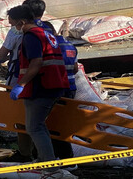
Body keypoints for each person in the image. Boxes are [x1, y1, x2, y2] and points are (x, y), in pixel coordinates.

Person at [9, 5, 69, 168]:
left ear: (22, 22)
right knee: (39, 125)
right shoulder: (46, 34)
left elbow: (36, 63)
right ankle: (45, 158)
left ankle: (46, 162)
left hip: (41, 86)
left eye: (14, 24)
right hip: (54, 84)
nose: (15, 28)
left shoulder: (31, 37)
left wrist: (20, 85)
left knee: (34, 127)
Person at [43, 21, 79, 167]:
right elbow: (75, 68)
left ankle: (64, 159)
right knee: (61, 123)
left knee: (53, 125)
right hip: (70, 87)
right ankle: (65, 157)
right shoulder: (70, 45)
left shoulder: (49, 46)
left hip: (56, 88)